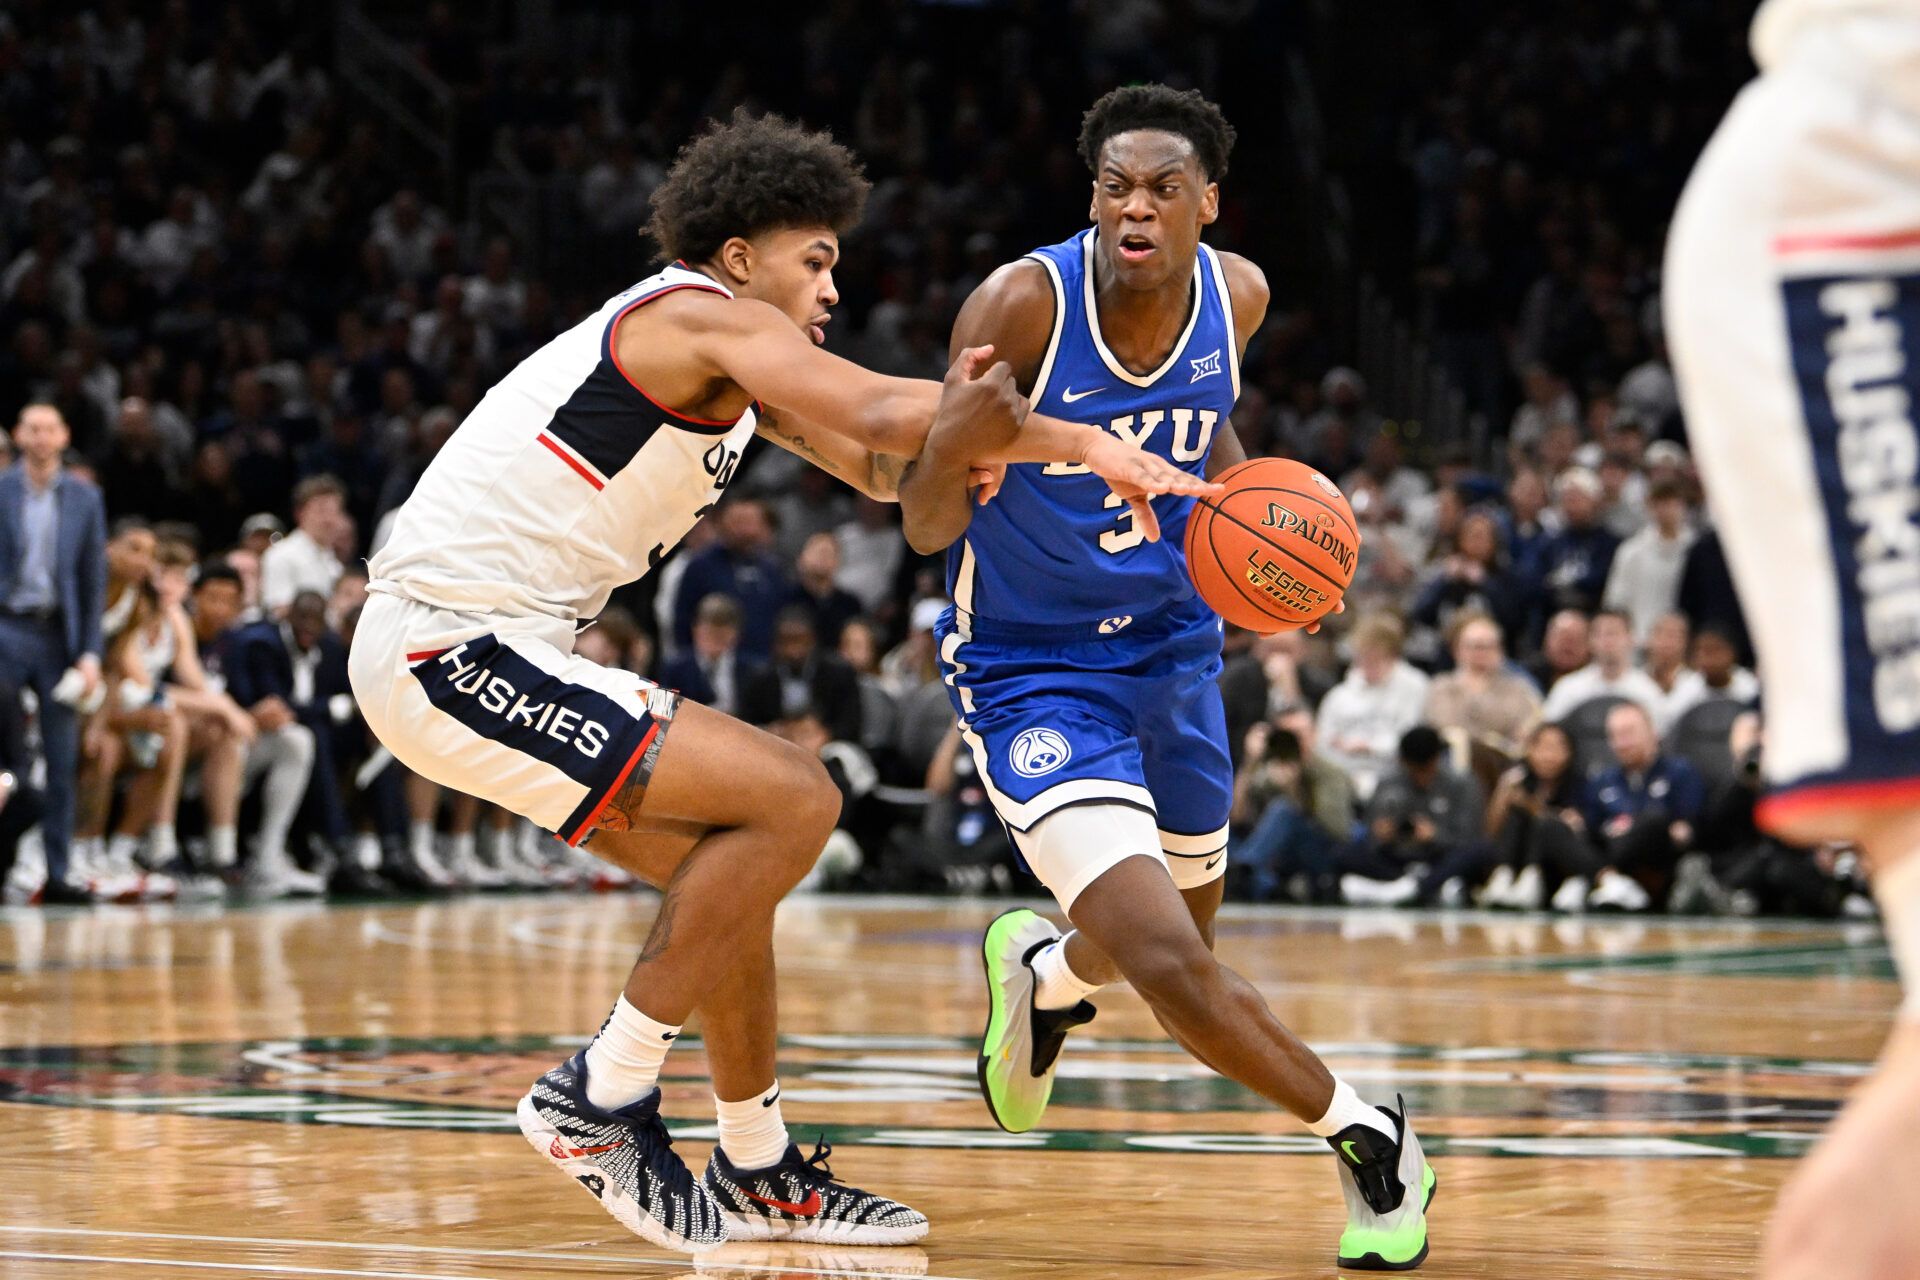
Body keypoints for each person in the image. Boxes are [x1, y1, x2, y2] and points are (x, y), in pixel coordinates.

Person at [346, 111, 1201, 1252]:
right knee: (798, 795)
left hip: (493, 646)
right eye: (817, 257)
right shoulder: (695, 316)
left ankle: (757, 1166)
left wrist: (986, 442)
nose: (832, 285)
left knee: (731, 881)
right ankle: (600, 1095)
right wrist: (1087, 440)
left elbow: (892, 468)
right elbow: (884, 409)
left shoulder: (733, 370)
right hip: (442, 643)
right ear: (740, 257)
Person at [931, 86, 1434, 1270]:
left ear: (1210, 202)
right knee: (1171, 964)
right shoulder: (1023, 301)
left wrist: (1270, 547)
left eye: (1163, 186)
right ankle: (1371, 1136)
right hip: (1033, 668)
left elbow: (1208, 434)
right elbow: (920, 509)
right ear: (1091, 198)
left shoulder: (1239, 293)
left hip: (1175, 646)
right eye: (1115, 185)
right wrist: (968, 464)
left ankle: (1047, 975)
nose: (1136, 205)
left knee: (1166, 950)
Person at [0, 404, 106, 904]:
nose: (41, 438)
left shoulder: (86, 498)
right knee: (6, 758)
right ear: (19, 435)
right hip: (5, 626)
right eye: (32, 429)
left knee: (62, 759)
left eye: (50, 429)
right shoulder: (0, 489)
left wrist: (90, 653)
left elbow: (92, 581)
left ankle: (58, 872)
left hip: (57, 636)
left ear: (63, 436)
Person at [1552, 702, 1706, 913]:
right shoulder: (1602, 779)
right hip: (1607, 844)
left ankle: (1590, 877)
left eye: (1629, 733)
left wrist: (1636, 827)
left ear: (1652, 733)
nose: (1621, 743)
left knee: (1654, 820)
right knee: (1552, 824)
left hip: (1652, 859)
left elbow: (1684, 829)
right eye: (1614, 736)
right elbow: (1589, 827)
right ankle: (1608, 879)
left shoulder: (1680, 772)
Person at [1338, 725, 1487, 908]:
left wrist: (1435, 835)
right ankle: (1422, 887)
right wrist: (1381, 835)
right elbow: (1370, 832)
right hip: (1396, 858)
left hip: (1439, 857)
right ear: (1403, 761)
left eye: (1425, 770)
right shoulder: (1387, 782)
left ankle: (1409, 889)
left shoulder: (1463, 784)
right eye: (1413, 769)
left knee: (1481, 850)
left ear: (1437, 759)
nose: (1419, 777)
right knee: (1344, 852)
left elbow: (1468, 837)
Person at [1232, 711, 1357, 903]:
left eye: (1299, 735)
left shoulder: (1330, 772)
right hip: (1274, 855)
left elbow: (1338, 830)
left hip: (1318, 850)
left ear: (1314, 735)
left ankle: (1241, 871)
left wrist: (1294, 789)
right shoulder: (1267, 768)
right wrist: (1250, 762)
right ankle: (1264, 883)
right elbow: (1236, 817)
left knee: (1283, 809)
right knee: (1222, 833)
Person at [1316, 613, 1433, 801]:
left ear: (1394, 656)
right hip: (1344, 777)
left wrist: (1371, 747)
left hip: (1396, 775)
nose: (1367, 667)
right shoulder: (1339, 695)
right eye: (1362, 659)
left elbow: (1414, 742)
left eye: (1376, 659)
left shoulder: (1416, 686)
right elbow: (1323, 745)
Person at [1479, 722, 1587, 910]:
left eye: (1556, 748)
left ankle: (1531, 877)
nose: (1548, 756)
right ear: (1530, 750)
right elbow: (1490, 832)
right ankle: (1503, 876)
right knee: (1515, 816)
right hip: (1515, 860)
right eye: (1542, 747)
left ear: (1570, 752)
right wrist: (1502, 794)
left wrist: (1531, 806)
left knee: (1543, 823)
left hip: (1554, 867)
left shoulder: (1579, 785)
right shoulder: (1519, 779)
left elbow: (1577, 830)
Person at [1423, 612, 1541, 758]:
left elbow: (1524, 729)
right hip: (1454, 762)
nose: (1482, 653)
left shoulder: (1519, 687)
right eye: (1476, 647)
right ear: (1457, 650)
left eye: (1489, 647)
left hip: (1505, 761)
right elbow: (1444, 727)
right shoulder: (1441, 686)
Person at [1601, 477, 1695, 644]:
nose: (1666, 510)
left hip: (1682, 643)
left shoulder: (1695, 551)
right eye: (1660, 503)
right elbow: (1616, 601)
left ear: (1683, 505)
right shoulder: (1630, 552)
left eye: (1672, 503)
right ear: (1649, 507)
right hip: (1639, 641)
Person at [1541, 608, 1664, 724]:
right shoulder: (1568, 688)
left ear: (1631, 639)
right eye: (1599, 634)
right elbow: (1550, 732)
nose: (1607, 641)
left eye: (1613, 633)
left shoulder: (1647, 692)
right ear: (1590, 641)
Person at [260, 474, 347, 616]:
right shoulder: (281, 555)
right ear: (300, 513)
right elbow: (278, 610)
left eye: (334, 511)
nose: (329, 520)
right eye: (321, 511)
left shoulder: (336, 565)